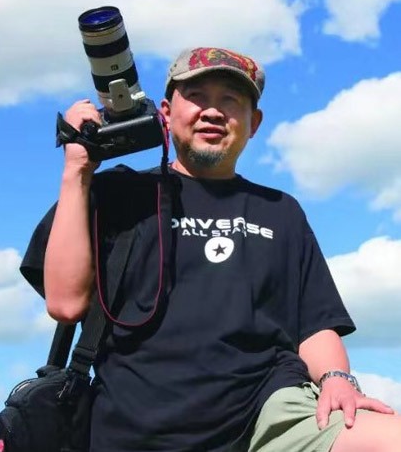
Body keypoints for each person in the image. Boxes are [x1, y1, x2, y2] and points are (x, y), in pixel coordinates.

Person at [21, 47, 401, 451]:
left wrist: (337, 379)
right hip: (133, 428)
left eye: (230, 100)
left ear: (254, 123)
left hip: (269, 416)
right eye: (197, 97)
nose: (213, 112)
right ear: (166, 113)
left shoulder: (281, 211)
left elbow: (314, 323)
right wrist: (77, 169)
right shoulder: (115, 193)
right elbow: (65, 303)